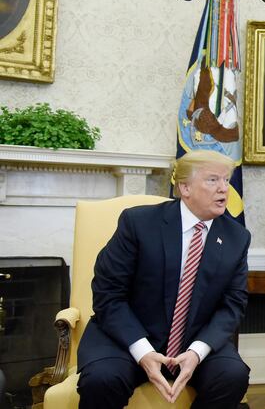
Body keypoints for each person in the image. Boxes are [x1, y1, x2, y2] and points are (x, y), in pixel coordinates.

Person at [76, 150, 250, 409]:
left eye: (226, 180)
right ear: (184, 187)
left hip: (193, 338)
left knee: (232, 375)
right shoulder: (138, 222)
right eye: (213, 180)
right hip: (127, 337)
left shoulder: (236, 237)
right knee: (102, 380)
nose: (224, 189)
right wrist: (143, 351)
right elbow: (108, 293)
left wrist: (197, 352)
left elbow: (233, 304)